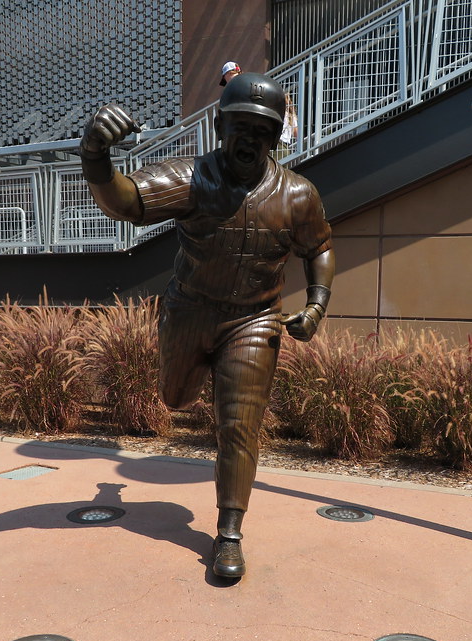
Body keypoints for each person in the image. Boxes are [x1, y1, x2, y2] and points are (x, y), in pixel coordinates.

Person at [80, 72, 335, 579]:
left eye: (262, 131)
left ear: (276, 136)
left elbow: (320, 247)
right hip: (190, 313)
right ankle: (188, 378)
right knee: (175, 398)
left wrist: (316, 304)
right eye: (240, 127)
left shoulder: (298, 195)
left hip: (254, 320)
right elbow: (126, 202)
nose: (250, 140)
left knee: (239, 425)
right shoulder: (192, 178)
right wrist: (95, 156)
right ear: (220, 129)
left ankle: (229, 535)